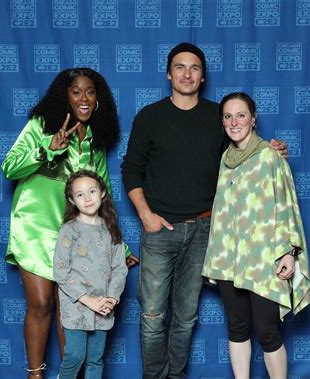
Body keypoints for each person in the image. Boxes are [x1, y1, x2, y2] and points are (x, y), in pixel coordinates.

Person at [121, 42, 288, 379]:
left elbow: (242, 152)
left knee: (185, 317)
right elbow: (130, 169)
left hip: (204, 231)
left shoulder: (218, 117)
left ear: (202, 76)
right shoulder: (149, 117)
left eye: (194, 68)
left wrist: (270, 149)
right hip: (159, 231)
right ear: (169, 73)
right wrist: (145, 215)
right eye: (180, 67)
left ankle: (177, 376)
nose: (187, 73)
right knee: (153, 315)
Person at [1, 68, 138, 378]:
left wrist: (119, 244)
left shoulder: (95, 141)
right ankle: (35, 374)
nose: (84, 98)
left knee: (71, 311)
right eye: (76, 92)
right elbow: (9, 168)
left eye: (90, 92)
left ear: (98, 99)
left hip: (78, 238)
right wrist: (46, 150)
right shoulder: (40, 126)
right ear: (64, 96)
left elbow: (104, 196)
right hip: (35, 228)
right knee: (41, 305)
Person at [201, 92, 310, 379]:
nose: (234, 121)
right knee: (237, 326)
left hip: (264, 258)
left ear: (253, 118)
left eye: (241, 115)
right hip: (229, 258)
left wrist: (289, 251)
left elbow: (287, 205)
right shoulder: (226, 158)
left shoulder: (269, 156)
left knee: (266, 330)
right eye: (228, 116)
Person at [54, 170, 128, 379]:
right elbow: (61, 271)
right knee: (75, 356)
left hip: (103, 305)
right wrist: (88, 300)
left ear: (102, 193)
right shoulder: (69, 230)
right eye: (79, 194)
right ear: (71, 200)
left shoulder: (111, 229)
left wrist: (112, 299)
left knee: (95, 359)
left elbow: (119, 268)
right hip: (76, 305)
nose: (87, 198)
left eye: (92, 191)